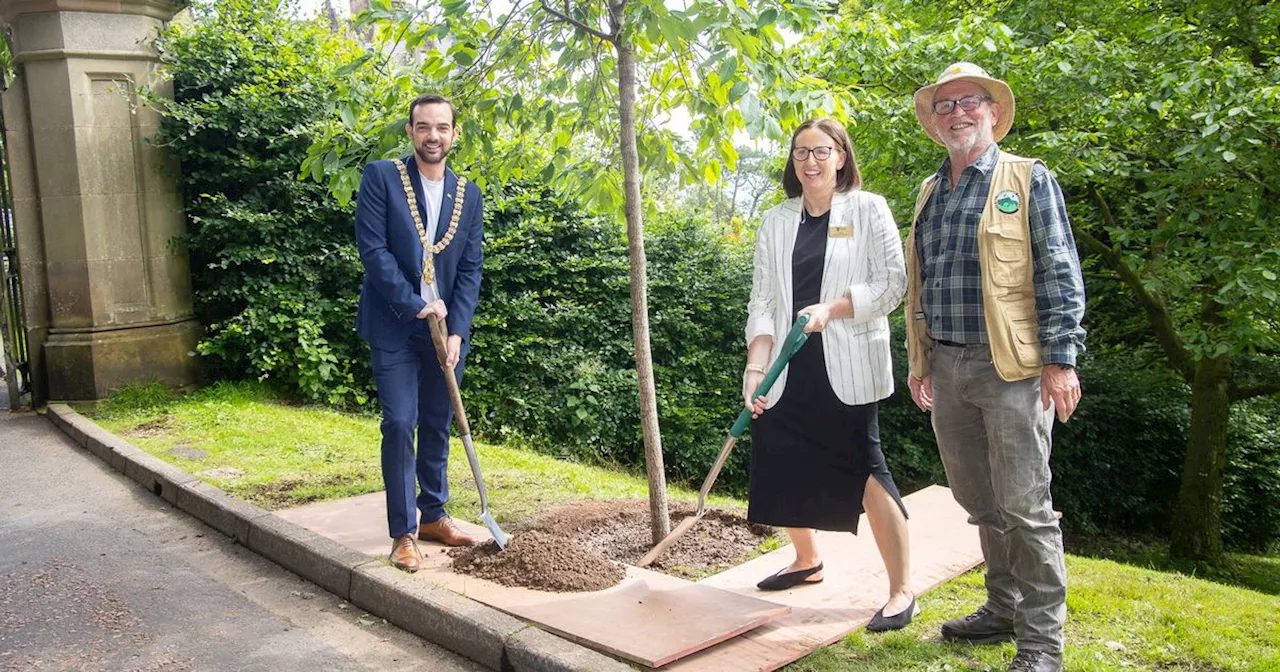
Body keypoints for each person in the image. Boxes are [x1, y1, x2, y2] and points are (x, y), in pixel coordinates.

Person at [903, 63, 1086, 672]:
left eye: (969, 102)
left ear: (991, 111)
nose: (957, 112)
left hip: (1013, 371)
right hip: (948, 368)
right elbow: (923, 285)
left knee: (1026, 507)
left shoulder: (1027, 178)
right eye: (946, 104)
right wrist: (921, 361)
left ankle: (1040, 644)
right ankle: (1002, 607)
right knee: (979, 500)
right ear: (935, 119)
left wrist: (1060, 361)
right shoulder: (933, 191)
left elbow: (1059, 269)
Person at [744, 118, 916, 632]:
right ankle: (806, 560)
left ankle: (902, 589)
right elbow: (763, 299)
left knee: (864, 467)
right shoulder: (776, 220)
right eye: (801, 153)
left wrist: (831, 309)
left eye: (822, 151)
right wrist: (757, 366)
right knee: (779, 456)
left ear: (842, 157)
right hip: (784, 361)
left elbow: (892, 285)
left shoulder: (868, 209)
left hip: (845, 361)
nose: (811, 162)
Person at [354, 93, 485, 572]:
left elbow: (470, 268)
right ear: (409, 132)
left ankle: (433, 515)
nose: (433, 135)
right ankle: (403, 532)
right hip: (394, 324)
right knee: (399, 422)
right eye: (423, 126)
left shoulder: (469, 194)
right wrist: (415, 306)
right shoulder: (382, 177)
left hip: (444, 332)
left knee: (436, 420)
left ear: (454, 133)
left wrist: (458, 333)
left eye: (442, 127)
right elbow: (373, 251)